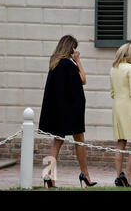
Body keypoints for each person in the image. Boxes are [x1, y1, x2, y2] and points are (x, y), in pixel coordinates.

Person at [38, 35, 97, 188]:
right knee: (80, 141)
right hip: (71, 110)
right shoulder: (68, 64)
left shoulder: (54, 63)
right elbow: (83, 79)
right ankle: (85, 175)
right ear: (71, 48)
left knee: (57, 142)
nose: (76, 51)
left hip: (57, 110)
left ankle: (48, 176)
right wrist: (78, 60)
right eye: (75, 48)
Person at [110, 43, 131, 187]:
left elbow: (112, 93)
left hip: (117, 106)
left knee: (120, 142)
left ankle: (118, 176)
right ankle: (127, 174)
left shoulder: (113, 69)